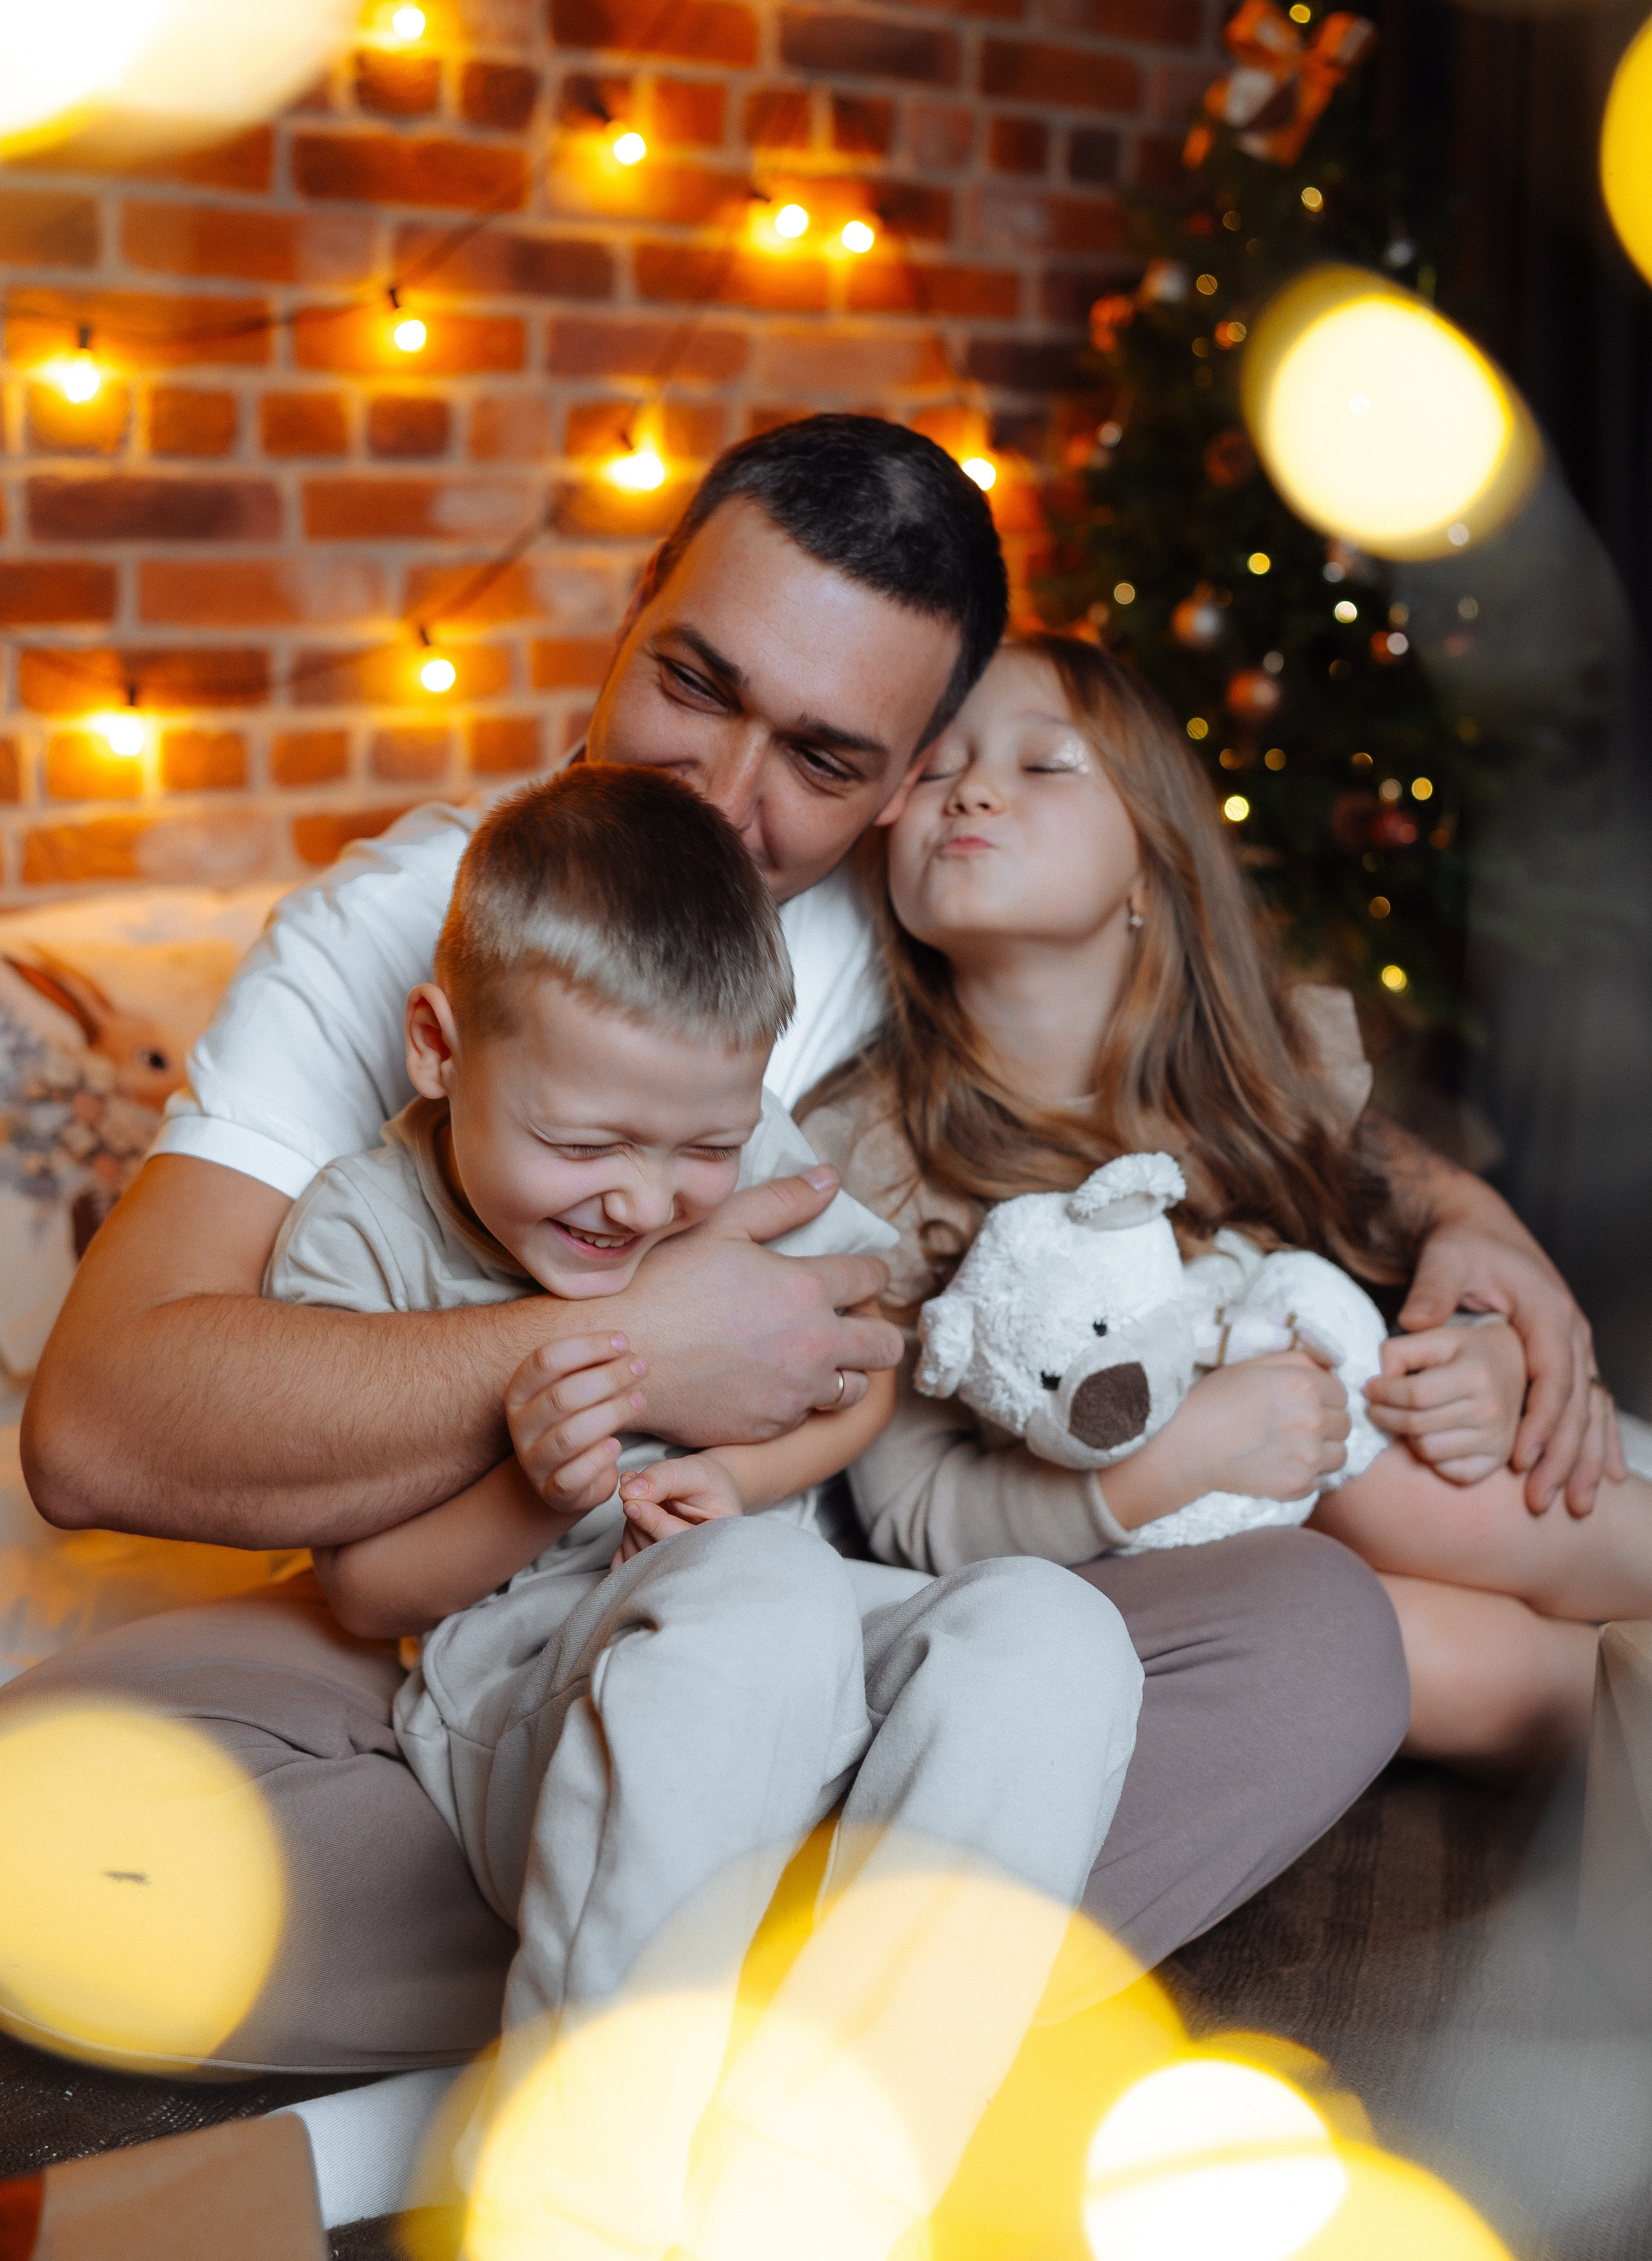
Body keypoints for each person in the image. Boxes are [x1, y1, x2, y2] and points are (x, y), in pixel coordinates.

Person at [10, 417, 1593, 2074]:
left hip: (847, 1607)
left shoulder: (900, 916)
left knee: (1310, 1639)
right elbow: (101, 1424)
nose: (725, 793)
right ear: (632, 608)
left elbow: (1182, 1058)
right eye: (692, 683)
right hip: (499, 1633)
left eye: (825, 762)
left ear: (909, 787)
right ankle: (775, 2020)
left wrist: (1462, 1216)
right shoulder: (398, 935)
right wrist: (637, 1347)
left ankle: (651, 2014)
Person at [269, 761, 1140, 2258]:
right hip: (538, 1684)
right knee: (765, 1602)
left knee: (1052, 1636)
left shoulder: (764, 1164)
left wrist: (741, 1476)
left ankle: (823, 2190)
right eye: (585, 1145)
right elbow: (365, 1596)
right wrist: (533, 1490)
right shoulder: (364, 1229)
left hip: (779, 1655)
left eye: (698, 1147)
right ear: (437, 1047)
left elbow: (858, 1360)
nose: (646, 1202)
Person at [806, 634, 1640, 1792]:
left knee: (1390, 1485)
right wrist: (1166, 1468)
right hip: (1126, 1576)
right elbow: (910, 1511)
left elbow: (1434, 1263)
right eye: (937, 770)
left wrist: (1487, 1358)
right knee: (1447, 1652)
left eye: (1046, 765)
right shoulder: (871, 1155)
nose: (976, 789)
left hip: (1369, 1500)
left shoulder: (1256, 1074)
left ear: (1149, 866)